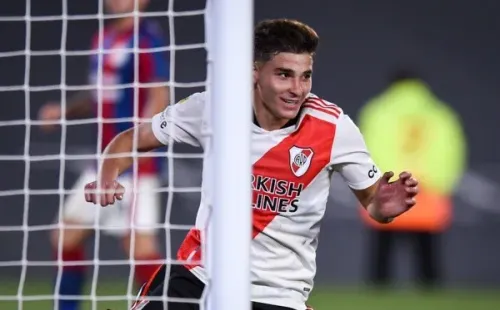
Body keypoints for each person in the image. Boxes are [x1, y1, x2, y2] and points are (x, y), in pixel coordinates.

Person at [83, 19, 419, 310]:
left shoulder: (333, 127)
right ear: (254, 71)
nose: (297, 89)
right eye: (285, 75)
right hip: (201, 276)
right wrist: (107, 175)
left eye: (306, 76)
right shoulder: (215, 108)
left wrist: (385, 206)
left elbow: (374, 203)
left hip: (278, 295)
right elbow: (130, 139)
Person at [37, 1, 170, 309]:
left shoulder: (147, 39)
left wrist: (138, 145)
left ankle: (169, 303)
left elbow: (160, 94)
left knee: (139, 247)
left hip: (136, 162)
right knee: (65, 237)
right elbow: (99, 92)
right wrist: (64, 111)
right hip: (103, 160)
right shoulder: (103, 39)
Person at [357, 69, 467, 289]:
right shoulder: (441, 114)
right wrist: (440, 182)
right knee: (428, 255)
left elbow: (364, 150)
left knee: (382, 254)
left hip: (386, 190)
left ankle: (376, 295)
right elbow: (452, 152)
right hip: (428, 190)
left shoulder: (378, 111)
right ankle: (432, 295)